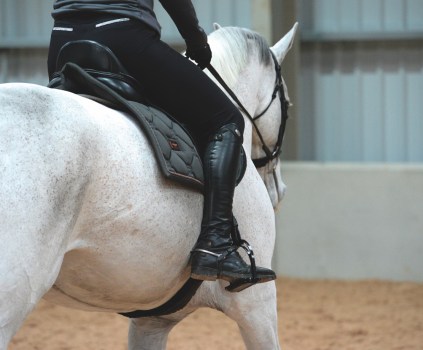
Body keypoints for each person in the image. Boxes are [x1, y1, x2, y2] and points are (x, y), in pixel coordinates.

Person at [47, 0, 276, 289]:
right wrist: (196, 40)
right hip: (123, 38)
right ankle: (216, 245)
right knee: (226, 119)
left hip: (62, 40)